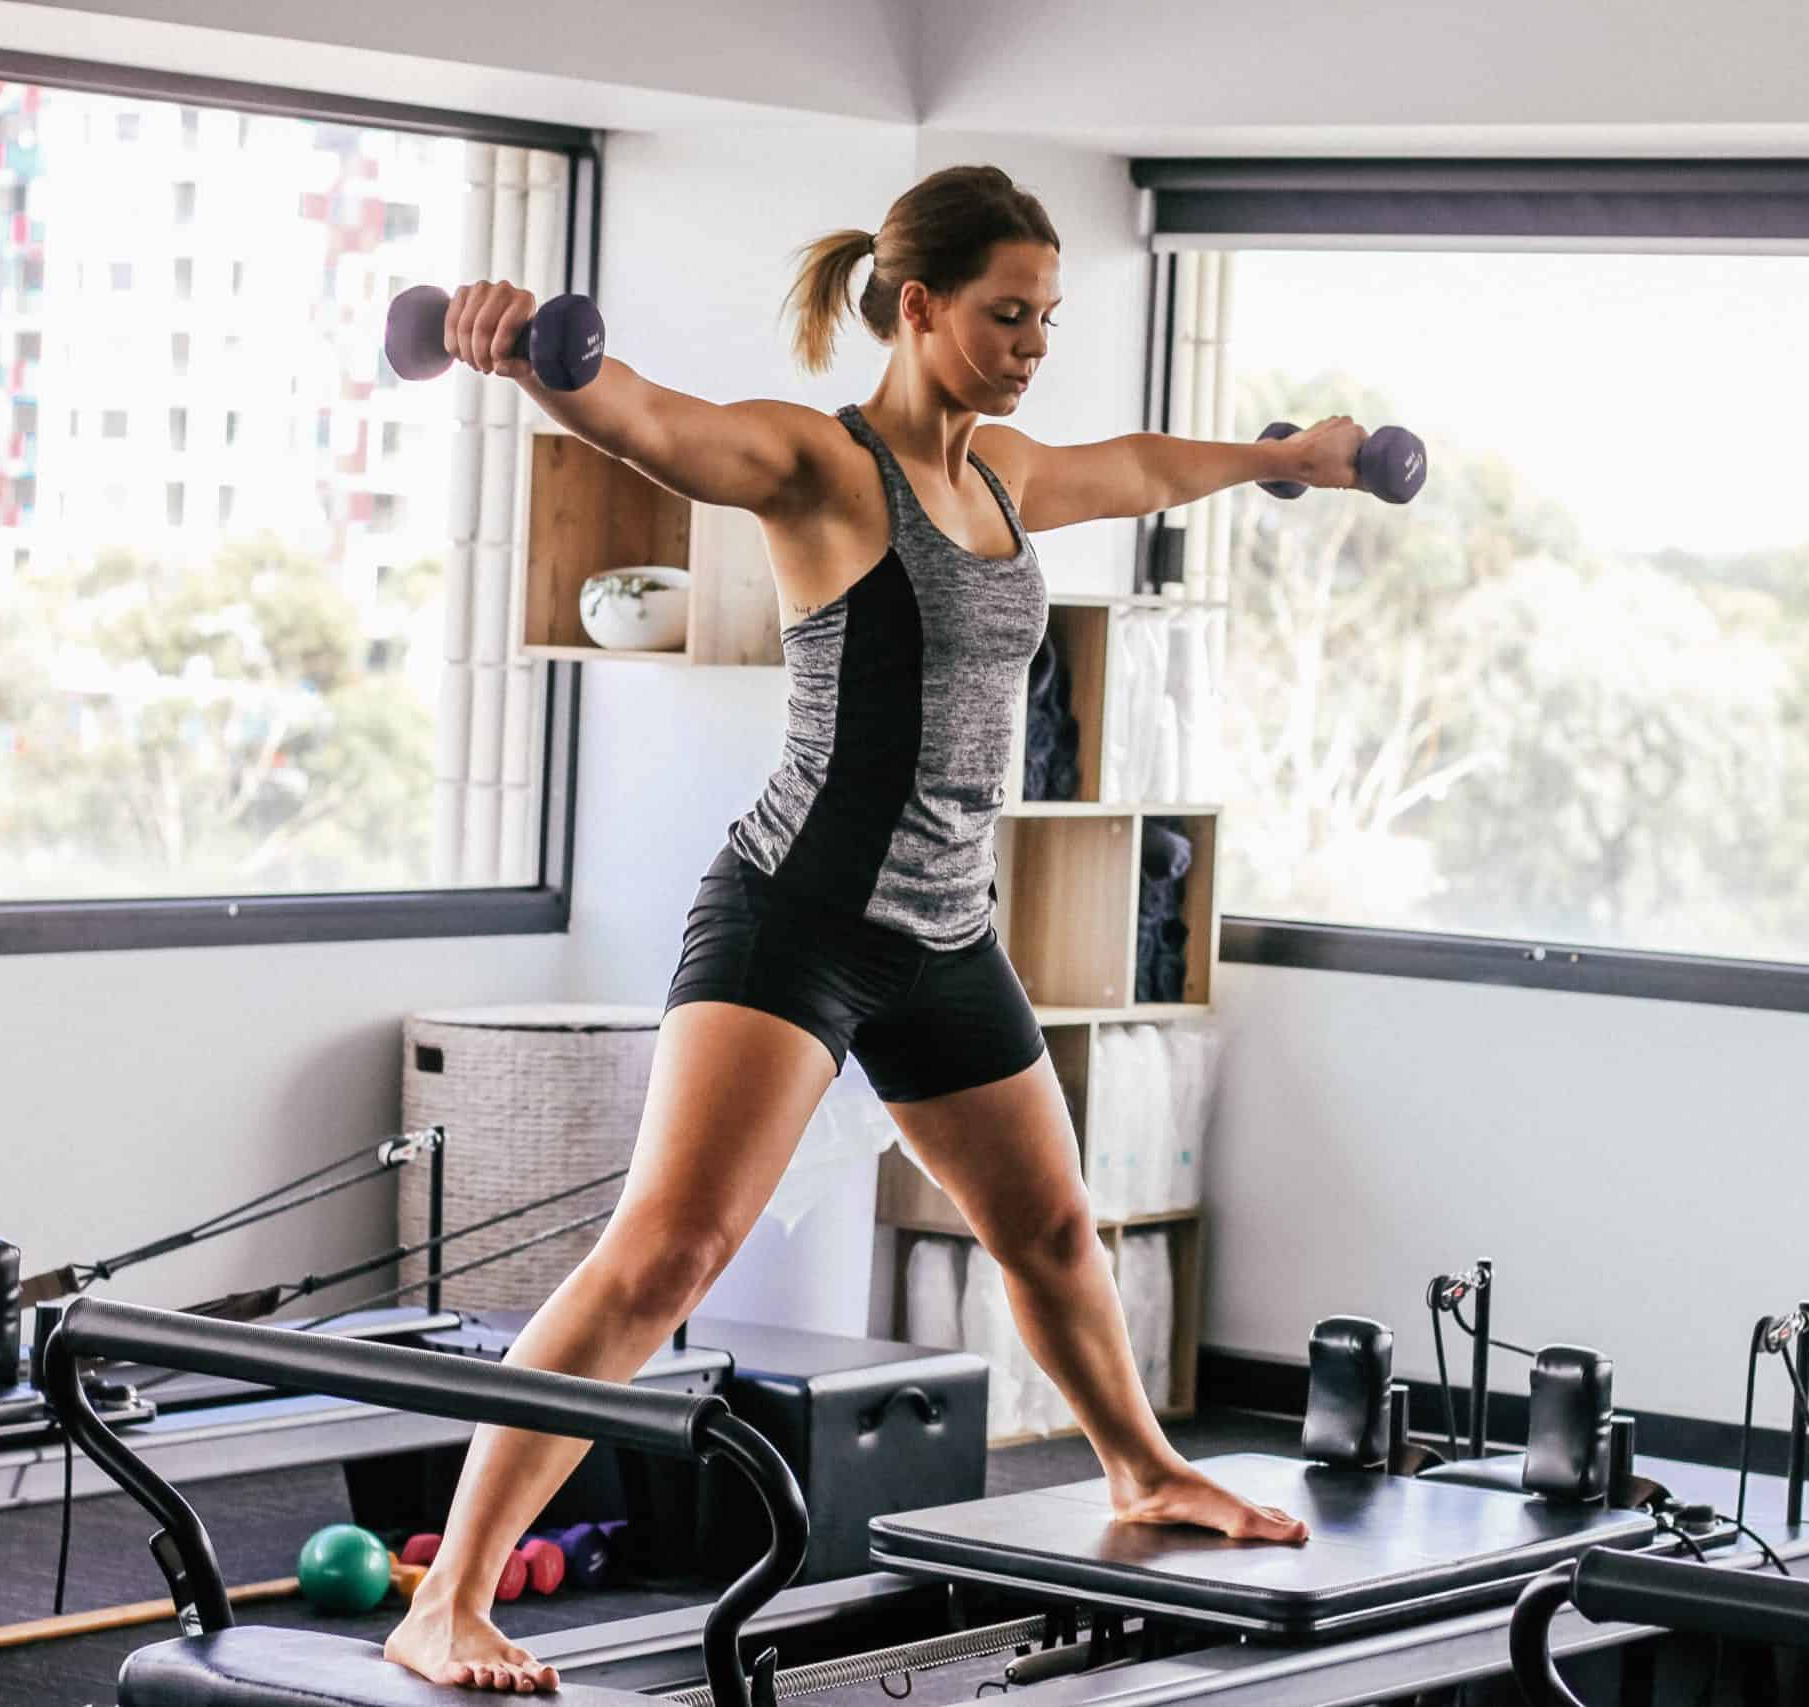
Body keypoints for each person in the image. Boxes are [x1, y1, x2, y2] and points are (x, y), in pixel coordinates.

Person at [385, 163, 1382, 1693]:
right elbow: (658, 423)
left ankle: (1143, 1467)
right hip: (798, 917)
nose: (1033, 344)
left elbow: (1139, 466)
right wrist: (527, 353)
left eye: (1048, 318)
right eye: (1005, 316)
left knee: (1049, 1228)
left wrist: (1282, 458)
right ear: (917, 309)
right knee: (665, 1257)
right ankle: (449, 1595)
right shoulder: (821, 467)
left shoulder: (1007, 478)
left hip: (943, 932)